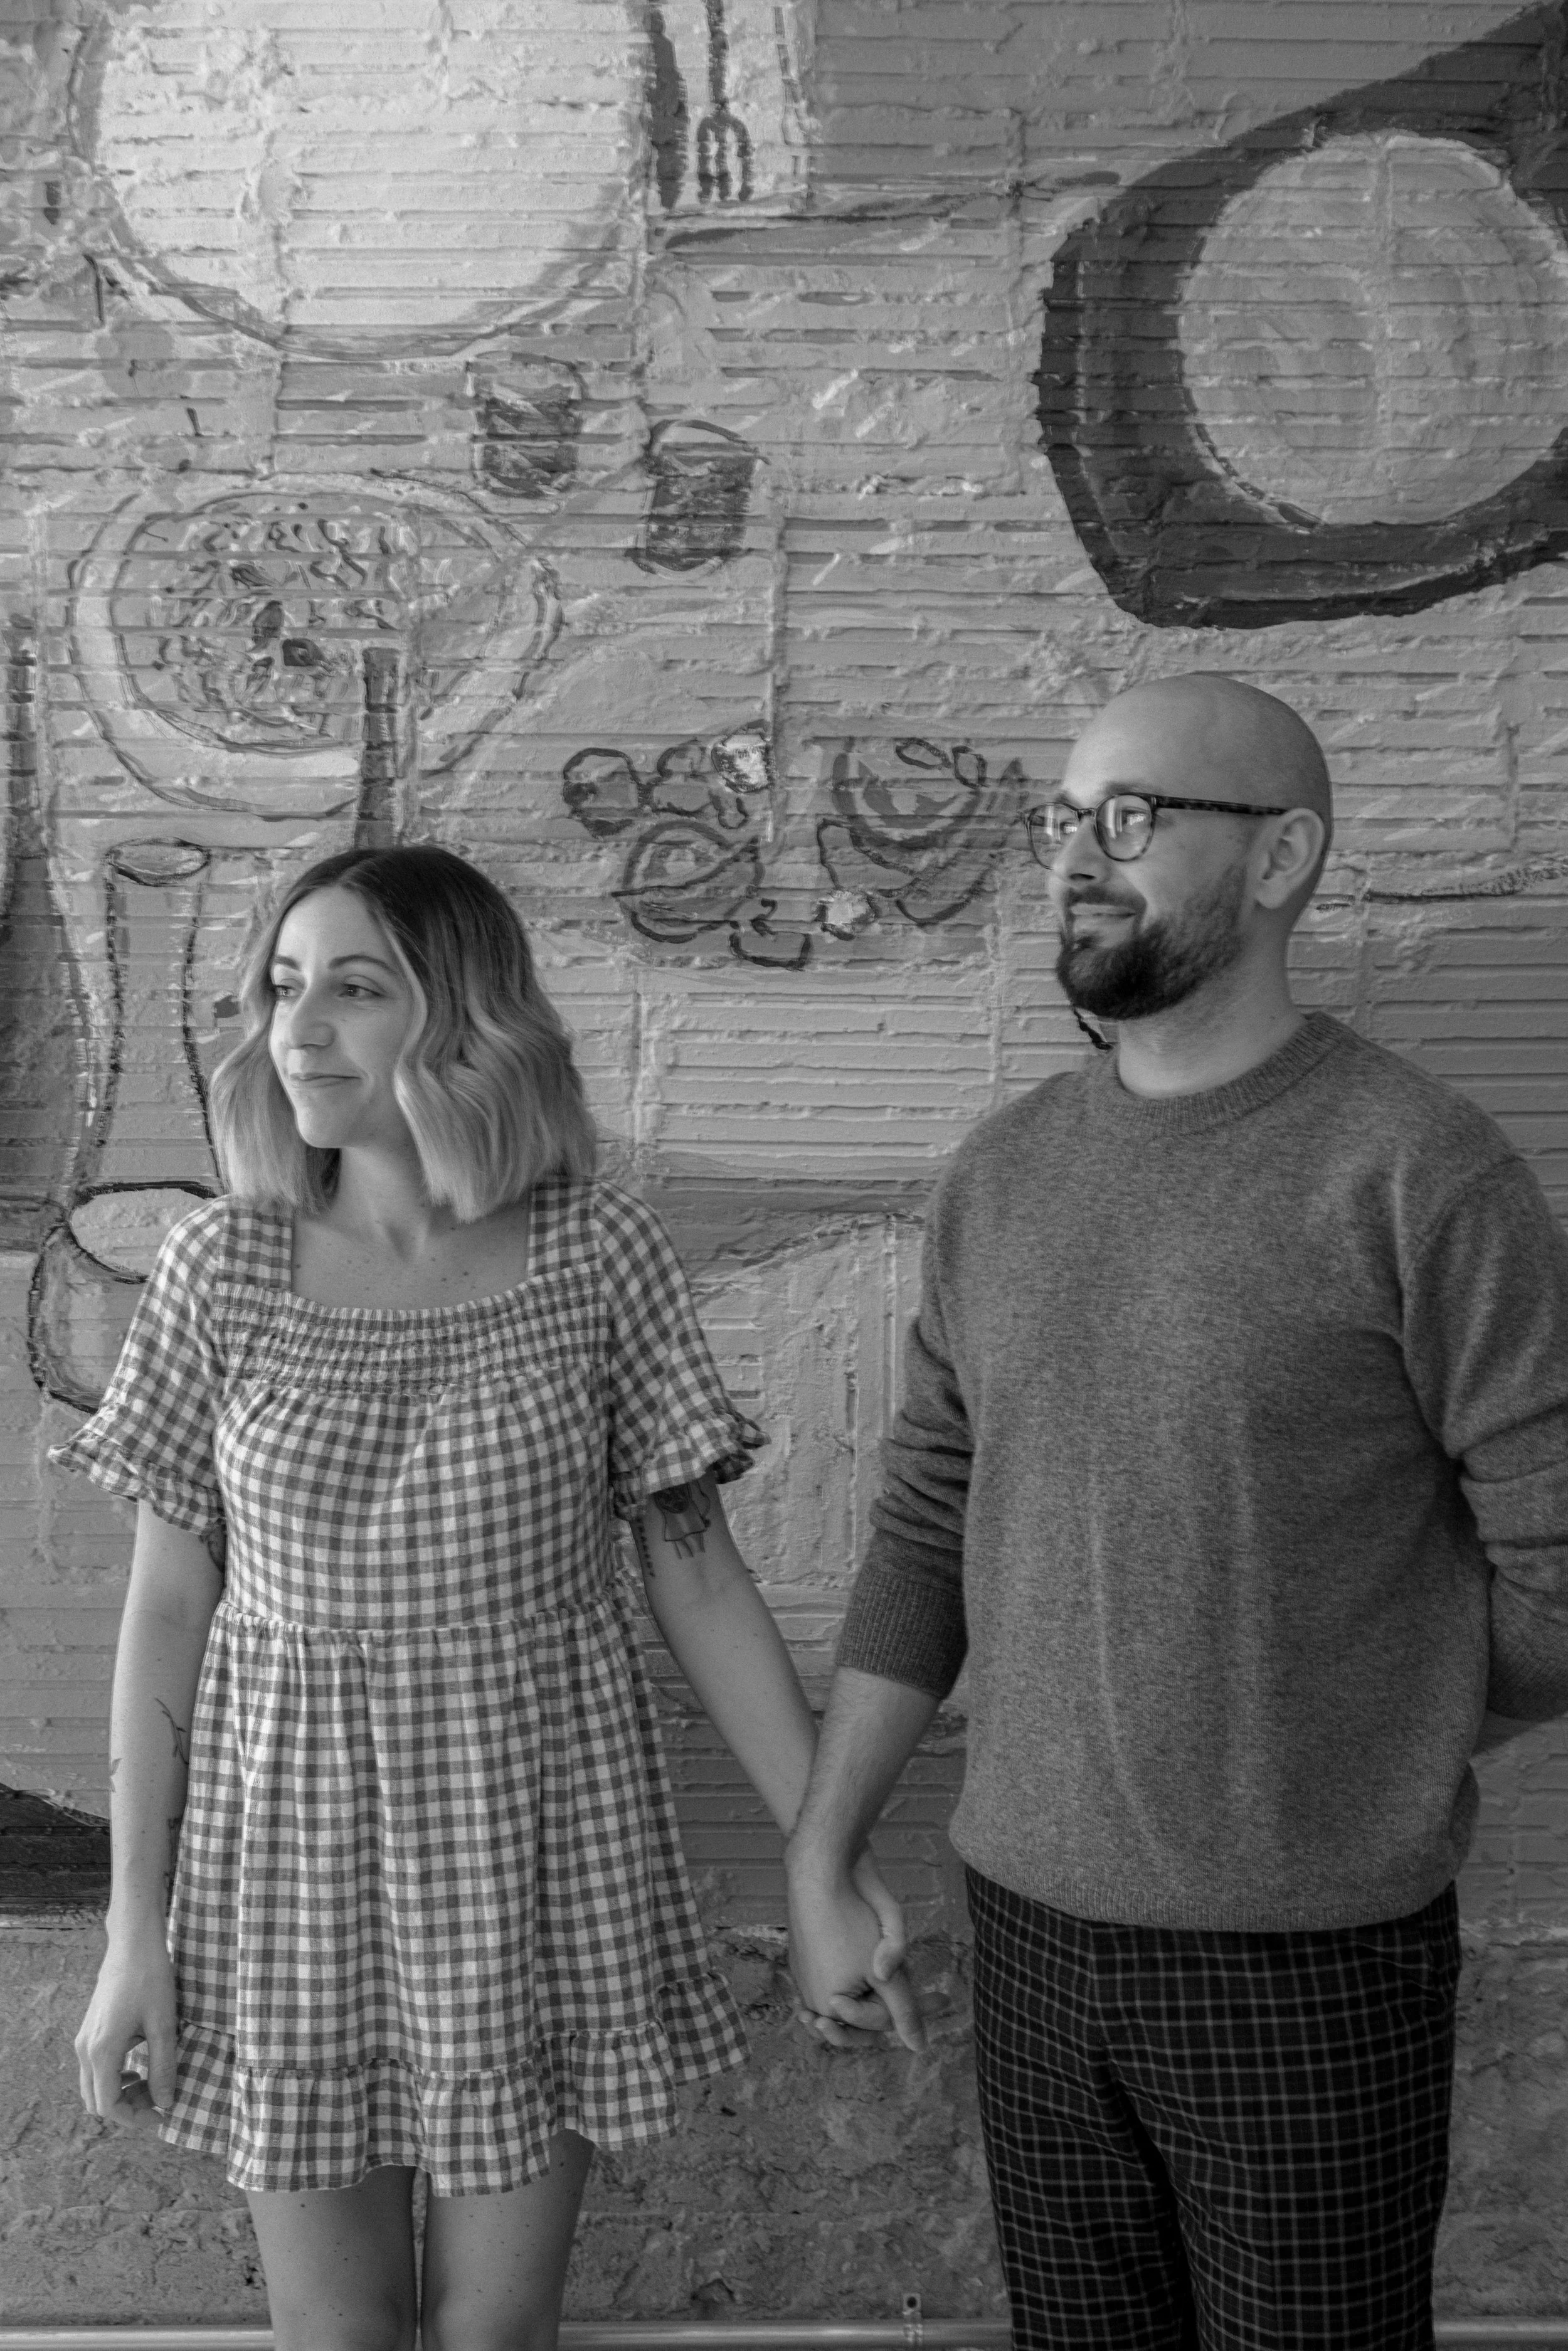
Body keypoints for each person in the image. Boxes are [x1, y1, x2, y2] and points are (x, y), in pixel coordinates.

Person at [784, 672, 1568, 2351]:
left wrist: (1370, 1740)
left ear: (1279, 858)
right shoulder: (1001, 1175)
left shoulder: (1421, 1175)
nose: (1077, 856)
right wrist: (822, 1841)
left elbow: (1556, 1566)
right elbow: (928, 1527)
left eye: (1128, 819)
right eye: (1064, 818)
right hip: (1027, 1932)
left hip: (1305, 1961)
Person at [60, 842, 898, 2351]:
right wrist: (136, 1929)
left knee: (493, 2331)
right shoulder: (217, 1263)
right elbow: (167, 1612)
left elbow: (696, 1570)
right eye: (282, 985)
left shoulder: (594, 1247)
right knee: (341, 2334)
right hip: (287, 1866)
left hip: (537, 1842)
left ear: (461, 1021)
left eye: (356, 989)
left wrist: (820, 1857)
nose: (296, 1029)